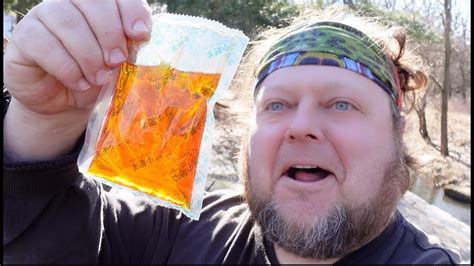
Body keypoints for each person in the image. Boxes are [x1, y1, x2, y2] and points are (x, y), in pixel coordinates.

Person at [3, 1, 461, 264]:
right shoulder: (173, 233)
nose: (300, 126)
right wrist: (41, 123)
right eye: (277, 105)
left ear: (398, 140)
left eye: (341, 104)